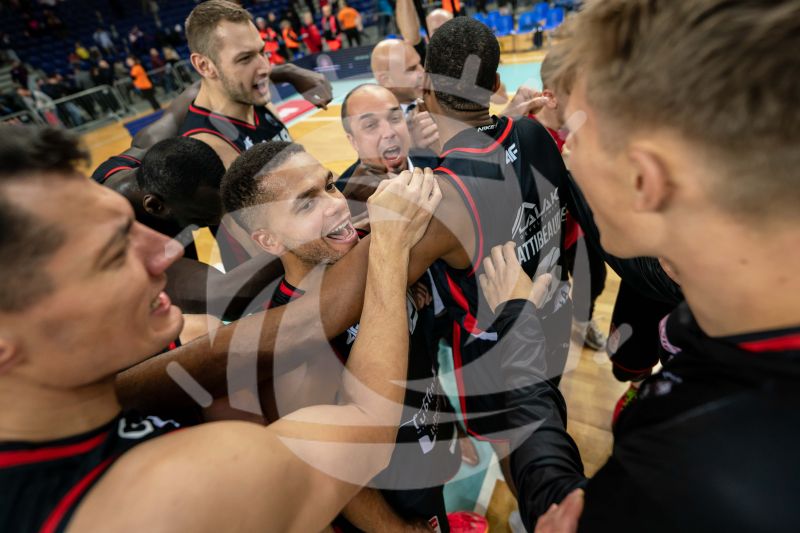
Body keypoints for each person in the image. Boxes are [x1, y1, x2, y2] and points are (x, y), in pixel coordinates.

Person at [0, 124, 441, 533]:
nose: (168, 251)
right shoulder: (167, 498)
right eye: (112, 254)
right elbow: (364, 431)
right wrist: (388, 248)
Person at [498, 0, 800, 531]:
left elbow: (560, 516)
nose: (566, 152)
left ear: (644, 180)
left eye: (576, 135)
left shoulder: (685, 478)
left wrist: (516, 333)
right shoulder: (736, 306)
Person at [222, 142, 459, 532]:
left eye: (329, 185)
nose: (335, 205)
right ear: (269, 241)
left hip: (429, 445)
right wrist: (395, 530)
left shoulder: (378, 250)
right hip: (394, 495)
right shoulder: (290, 345)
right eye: (305, 205)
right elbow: (331, 469)